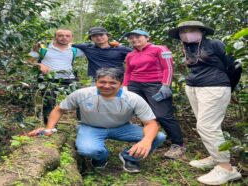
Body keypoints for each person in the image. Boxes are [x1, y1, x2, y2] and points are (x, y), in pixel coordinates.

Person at [28, 68, 166, 173]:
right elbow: (59, 109)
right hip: (91, 127)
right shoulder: (83, 94)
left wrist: (146, 141)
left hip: (122, 128)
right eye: (102, 82)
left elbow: (151, 123)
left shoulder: (132, 98)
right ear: (96, 82)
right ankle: (101, 157)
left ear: (121, 83)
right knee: (89, 150)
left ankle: (129, 158)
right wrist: (49, 128)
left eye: (112, 82)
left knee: (157, 137)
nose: (107, 86)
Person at [168, 20, 242, 185]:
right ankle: (215, 157)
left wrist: (229, 87)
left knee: (206, 126)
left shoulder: (215, 44)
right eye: (183, 31)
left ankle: (226, 168)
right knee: (208, 125)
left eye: (192, 29)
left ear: (202, 31)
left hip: (214, 87)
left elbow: (235, 66)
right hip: (194, 87)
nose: (187, 33)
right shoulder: (187, 47)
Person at [122, 29, 185, 159]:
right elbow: (128, 72)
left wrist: (166, 85)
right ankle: (155, 138)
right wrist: (125, 87)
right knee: (144, 114)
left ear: (147, 37)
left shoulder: (160, 49)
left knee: (163, 114)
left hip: (155, 85)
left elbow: (168, 67)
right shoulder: (130, 55)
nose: (134, 39)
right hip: (135, 85)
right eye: (131, 38)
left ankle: (178, 144)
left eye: (138, 36)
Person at [29, 29, 84, 124]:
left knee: (80, 101)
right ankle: (50, 128)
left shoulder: (75, 50)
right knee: (49, 104)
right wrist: (40, 65)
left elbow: (96, 50)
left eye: (67, 36)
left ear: (71, 38)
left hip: (69, 78)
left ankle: (84, 124)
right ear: (55, 37)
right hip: (48, 79)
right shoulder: (43, 48)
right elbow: (29, 60)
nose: (64, 38)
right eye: (61, 35)